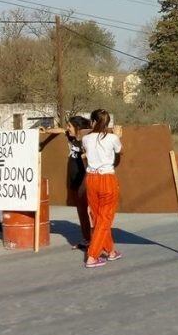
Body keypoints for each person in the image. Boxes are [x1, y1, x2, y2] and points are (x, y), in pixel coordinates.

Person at [44, 116, 93, 249]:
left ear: (77, 127)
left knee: (93, 211)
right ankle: (87, 238)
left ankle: (99, 239)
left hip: (86, 178)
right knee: (81, 211)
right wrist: (47, 131)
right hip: (74, 178)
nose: (67, 128)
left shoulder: (87, 138)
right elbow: (60, 130)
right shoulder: (70, 137)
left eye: (70, 126)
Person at [82, 109, 123, 268]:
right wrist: (118, 136)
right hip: (107, 178)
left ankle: (111, 251)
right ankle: (92, 255)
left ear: (92, 122)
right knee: (105, 218)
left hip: (91, 179)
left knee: (98, 216)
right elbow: (119, 152)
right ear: (107, 123)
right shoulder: (113, 138)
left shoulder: (86, 139)